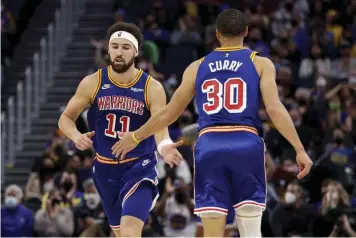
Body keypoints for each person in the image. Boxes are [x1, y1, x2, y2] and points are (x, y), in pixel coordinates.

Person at [114, 9, 313, 237]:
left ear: (217, 34)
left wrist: (136, 135)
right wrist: (299, 149)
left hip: (209, 146)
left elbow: (169, 113)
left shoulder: (197, 66)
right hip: (246, 142)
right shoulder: (260, 63)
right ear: (246, 32)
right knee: (250, 230)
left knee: (212, 231)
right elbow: (275, 109)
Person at [58, 22, 183, 237]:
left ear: (136, 51)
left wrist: (164, 146)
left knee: (129, 232)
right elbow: (66, 118)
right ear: (108, 49)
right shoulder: (92, 82)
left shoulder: (151, 87)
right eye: (115, 46)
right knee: (119, 233)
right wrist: (76, 136)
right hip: (105, 169)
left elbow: (160, 125)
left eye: (125, 47)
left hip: (139, 167)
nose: (119, 52)